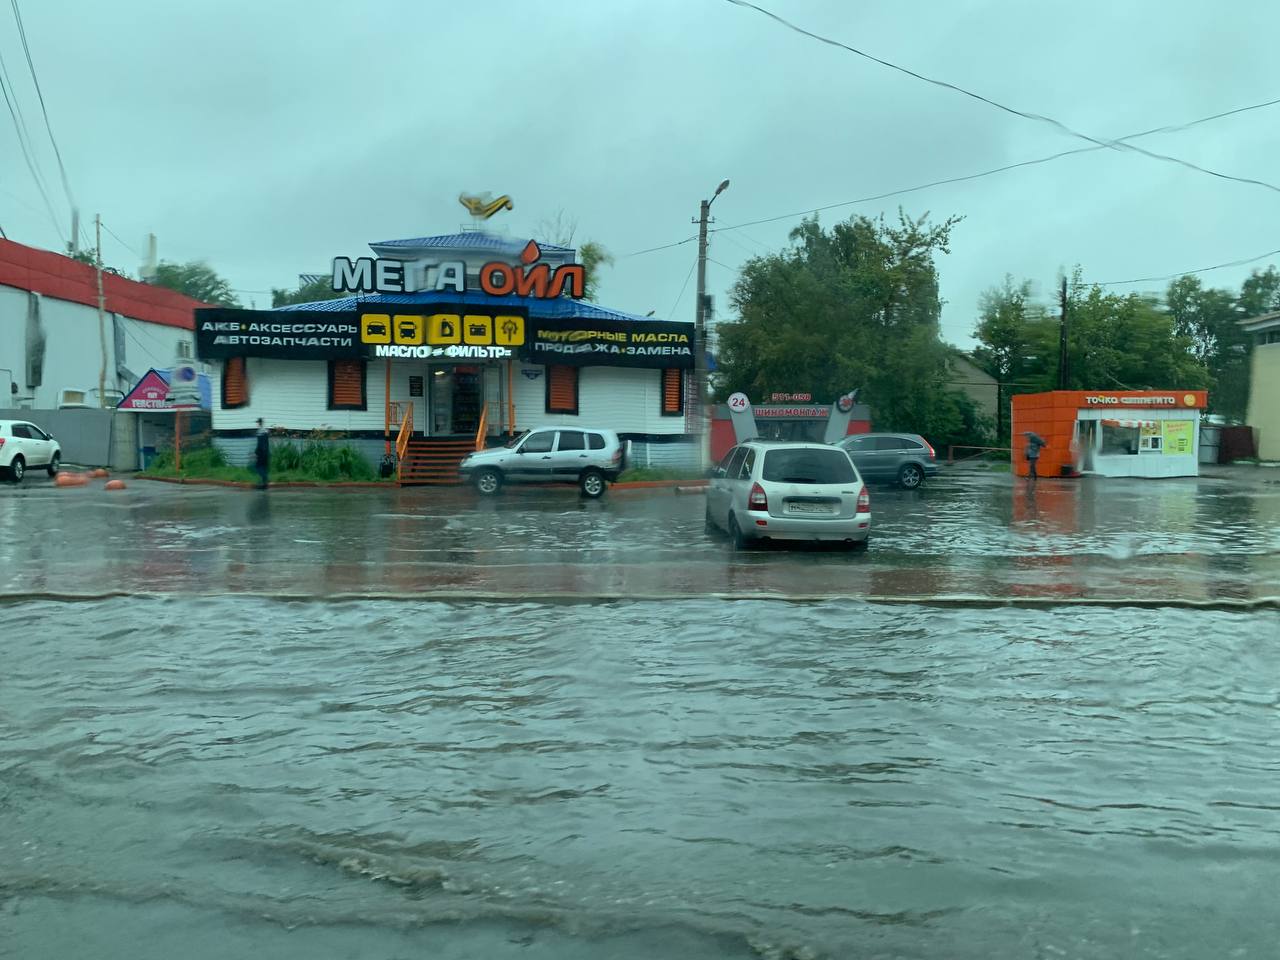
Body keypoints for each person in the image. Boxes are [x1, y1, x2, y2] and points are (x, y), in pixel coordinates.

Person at [254, 419, 270, 489]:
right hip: (266, 452)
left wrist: (257, 452)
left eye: (257, 423)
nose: (257, 424)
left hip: (261, 453)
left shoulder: (260, 432)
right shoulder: (265, 431)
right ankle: (264, 483)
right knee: (264, 467)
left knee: (258, 467)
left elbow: (260, 443)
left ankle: (264, 482)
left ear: (259, 423)